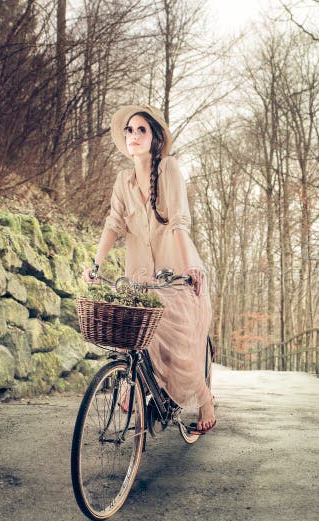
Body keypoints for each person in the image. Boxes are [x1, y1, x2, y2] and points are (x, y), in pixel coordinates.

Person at [82, 104, 216, 433]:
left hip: (177, 269)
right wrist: (95, 265)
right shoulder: (122, 181)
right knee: (134, 329)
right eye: (129, 130)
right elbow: (113, 225)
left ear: (154, 138)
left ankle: (204, 397)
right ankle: (133, 383)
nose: (133, 136)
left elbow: (179, 222)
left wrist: (190, 268)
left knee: (181, 344)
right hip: (141, 274)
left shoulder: (168, 168)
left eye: (141, 130)